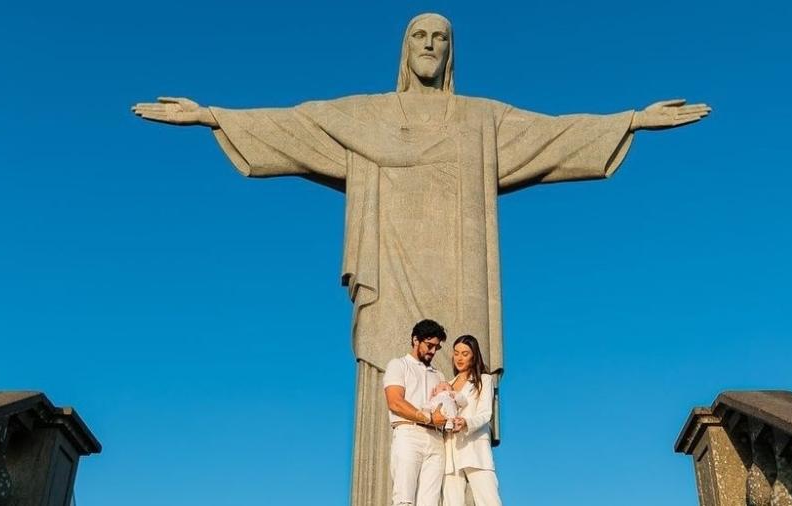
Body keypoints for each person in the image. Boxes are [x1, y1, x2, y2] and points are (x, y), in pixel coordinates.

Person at [132, 13, 710, 503]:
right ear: (404, 50)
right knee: (393, 403)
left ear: (451, 52)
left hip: (461, 280)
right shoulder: (367, 117)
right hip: (390, 278)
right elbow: (296, 124)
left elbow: (554, 136)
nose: (430, 46)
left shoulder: (481, 121)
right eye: (419, 37)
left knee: (462, 417)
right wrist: (213, 115)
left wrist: (631, 120)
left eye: (441, 38)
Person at [383, 319, 450, 506]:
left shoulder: (439, 375)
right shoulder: (398, 365)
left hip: (436, 441)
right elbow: (395, 402)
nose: (433, 351)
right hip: (409, 434)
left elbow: (443, 410)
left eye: (437, 347)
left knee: (431, 502)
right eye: (429, 345)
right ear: (415, 340)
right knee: (404, 499)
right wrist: (428, 417)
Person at [443, 335, 502, 506]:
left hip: (475, 448)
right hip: (450, 451)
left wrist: (467, 422)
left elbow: (486, 413)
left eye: (465, 354)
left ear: (474, 356)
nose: (459, 358)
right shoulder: (447, 384)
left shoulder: (484, 380)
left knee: (489, 500)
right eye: (456, 353)